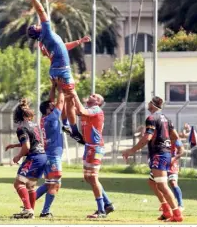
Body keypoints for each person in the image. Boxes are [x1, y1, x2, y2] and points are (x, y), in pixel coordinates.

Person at [26, 0, 89, 141]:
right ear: (38, 30)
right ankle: (71, 128)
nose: (39, 23)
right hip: (62, 70)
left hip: (56, 70)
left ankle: (68, 125)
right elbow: (41, 11)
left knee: (68, 99)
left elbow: (62, 47)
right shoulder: (46, 32)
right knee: (71, 100)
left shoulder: (43, 43)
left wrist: (79, 41)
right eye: (36, 25)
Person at [122, 96, 183, 222]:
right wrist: (168, 147)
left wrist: (131, 150)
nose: (148, 104)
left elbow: (147, 138)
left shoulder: (151, 118)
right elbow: (175, 136)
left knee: (162, 185)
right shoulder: (166, 118)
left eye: (149, 102)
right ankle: (166, 210)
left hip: (159, 154)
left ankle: (177, 214)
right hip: (164, 154)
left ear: (153, 105)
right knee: (152, 182)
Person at [67, 90, 114, 218]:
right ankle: (108, 204)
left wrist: (75, 94)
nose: (91, 95)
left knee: (93, 177)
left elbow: (81, 111)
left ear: (98, 102)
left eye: (95, 96)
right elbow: (72, 114)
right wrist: (69, 100)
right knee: (88, 178)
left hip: (96, 148)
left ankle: (101, 211)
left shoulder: (96, 109)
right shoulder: (87, 109)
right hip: (89, 147)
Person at [35, 80, 75, 217]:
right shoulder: (52, 118)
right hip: (52, 156)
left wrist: (53, 86)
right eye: (52, 106)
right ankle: (45, 212)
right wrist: (62, 89)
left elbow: (52, 101)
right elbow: (60, 103)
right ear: (48, 110)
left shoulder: (44, 118)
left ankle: (28, 204)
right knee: (55, 184)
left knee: (48, 184)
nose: (54, 105)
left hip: (48, 155)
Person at [5, 99, 47, 219]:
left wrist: (18, 156)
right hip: (42, 156)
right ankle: (31, 212)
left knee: (18, 183)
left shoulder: (21, 128)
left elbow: (27, 146)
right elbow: (35, 142)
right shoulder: (35, 125)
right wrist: (15, 145)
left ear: (18, 115)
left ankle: (28, 209)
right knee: (31, 186)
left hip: (34, 157)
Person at [149, 138, 185, 215]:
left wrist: (174, 158)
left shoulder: (174, 137)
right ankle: (165, 204)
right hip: (161, 163)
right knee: (154, 183)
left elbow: (182, 150)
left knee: (173, 182)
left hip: (172, 164)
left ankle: (180, 205)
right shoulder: (160, 137)